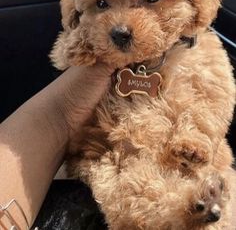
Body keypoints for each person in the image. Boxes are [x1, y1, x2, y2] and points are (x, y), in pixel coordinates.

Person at [0, 64, 235, 229]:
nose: (122, 25)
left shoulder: (204, 56)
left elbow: (216, 104)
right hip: (113, 155)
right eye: (103, 4)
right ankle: (175, 213)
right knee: (118, 178)